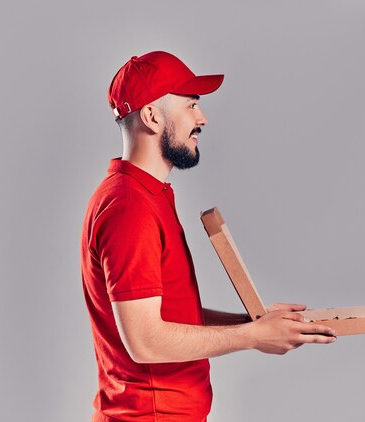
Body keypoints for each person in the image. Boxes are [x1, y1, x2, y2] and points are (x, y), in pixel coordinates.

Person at [80, 51, 336, 422]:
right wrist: (253, 338)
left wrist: (254, 324)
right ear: (152, 116)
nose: (202, 118)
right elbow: (145, 340)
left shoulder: (147, 196)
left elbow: (168, 317)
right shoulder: (129, 207)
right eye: (191, 106)